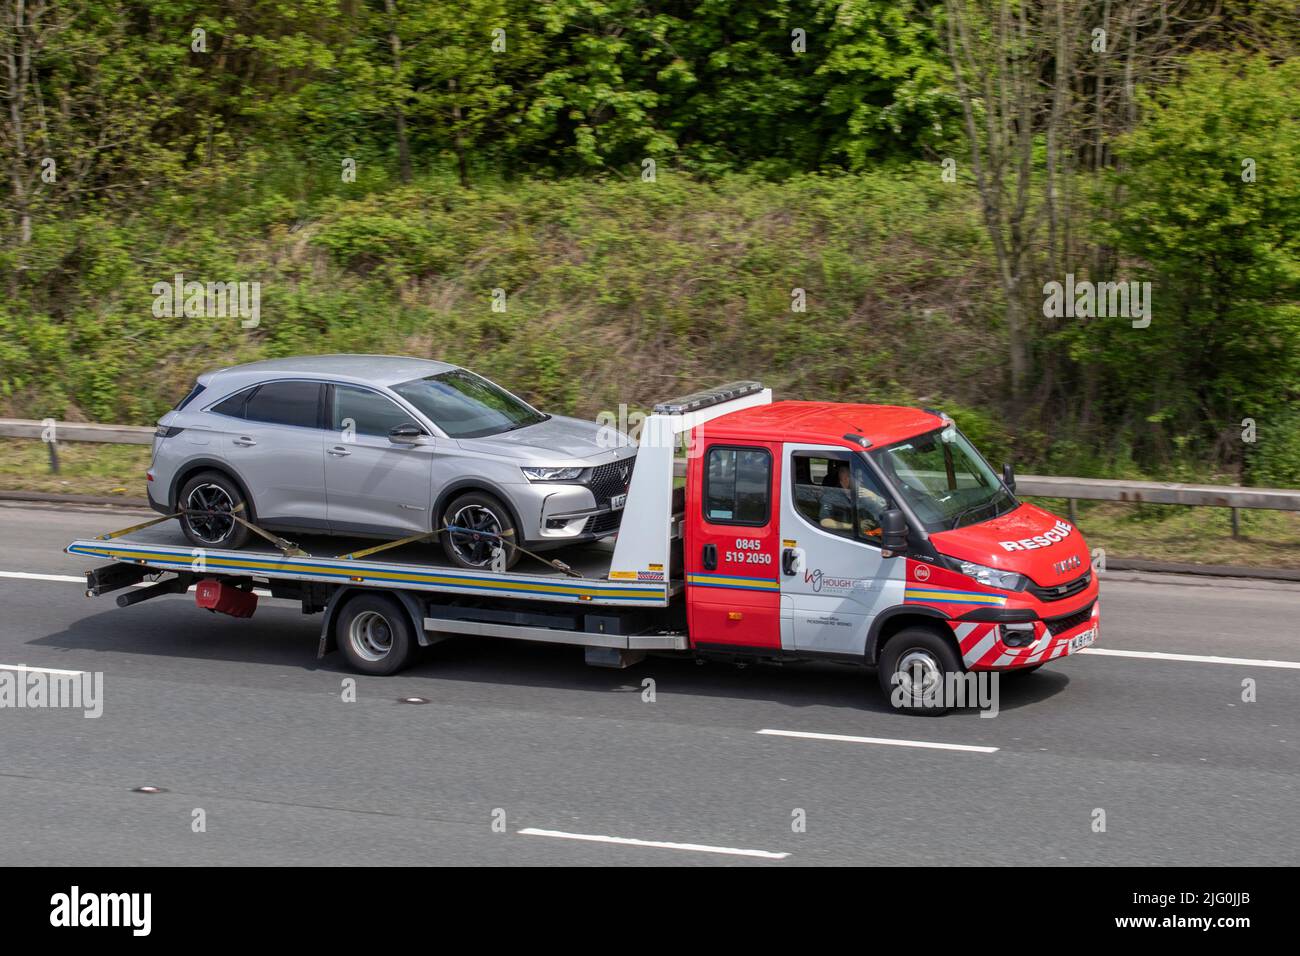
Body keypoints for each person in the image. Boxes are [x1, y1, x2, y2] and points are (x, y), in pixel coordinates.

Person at [819, 461, 888, 535]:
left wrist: (875, 497)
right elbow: (824, 522)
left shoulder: (863, 493)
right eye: (857, 477)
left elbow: (883, 511)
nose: (861, 480)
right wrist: (854, 526)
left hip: (866, 535)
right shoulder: (831, 495)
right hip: (843, 536)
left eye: (860, 477)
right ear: (845, 478)